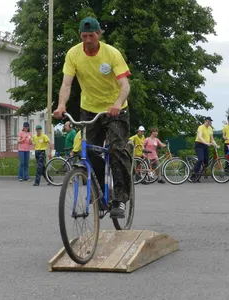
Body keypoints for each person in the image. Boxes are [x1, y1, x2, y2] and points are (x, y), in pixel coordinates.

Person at [53, 16, 132, 219]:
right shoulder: (73, 54)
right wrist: (61, 105)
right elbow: (67, 84)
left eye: (91, 35)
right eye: (84, 36)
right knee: (89, 152)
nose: (87, 40)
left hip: (115, 109)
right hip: (89, 110)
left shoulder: (111, 54)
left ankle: (120, 199)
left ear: (99, 35)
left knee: (116, 150)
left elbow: (125, 85)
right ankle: (97, 192)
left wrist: (116, 104)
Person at [190, 117, 219, 181]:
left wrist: (216, 145)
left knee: (206, 162)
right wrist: (206, 143)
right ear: (205, 121)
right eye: (208, 122)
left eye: (210, 122)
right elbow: (200, 137)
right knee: (200, 159)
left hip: (205, 146)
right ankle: (194, 173)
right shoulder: (201, 127)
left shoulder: (210, 129)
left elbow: (212, 139)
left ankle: (199, 174)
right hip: (199, 145)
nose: (209, 123)